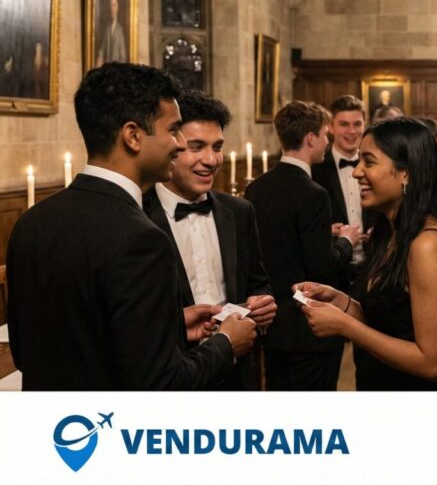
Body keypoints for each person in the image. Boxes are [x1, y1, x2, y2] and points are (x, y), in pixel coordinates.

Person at [7, 62, 256, 390]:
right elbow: (161, 385)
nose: (180, 144)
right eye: (173, 130)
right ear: (133, 136)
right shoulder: (141, 239)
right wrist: (225, 343)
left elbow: (28, 352)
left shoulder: (31, 222)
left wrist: (172, 326)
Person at [299, 118, 437, 390]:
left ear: (407, 174)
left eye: (368, 162)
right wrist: (343, 303)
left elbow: (430, 363)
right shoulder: (390, 232)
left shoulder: (427, 245)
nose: (357, 172)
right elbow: (390, 321)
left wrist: (345, 326)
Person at [142, 89, 277, 390]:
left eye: (217, 147)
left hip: (236, 375)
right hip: (170, 379)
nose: (212, 159)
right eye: (196, 146)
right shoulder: (137, 217)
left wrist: (262, 302)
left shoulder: (239, 212)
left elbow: (258, 281)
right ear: (171, 146)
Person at [245, 101, 351, 390]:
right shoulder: (313, 193)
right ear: (311, 138)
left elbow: (275, 240)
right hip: (308, 328)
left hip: (272, 323)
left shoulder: (256, 188)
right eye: (325, 134)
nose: (328, 141)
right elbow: (322, 267)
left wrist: (322, 232)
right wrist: (346, 241)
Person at [311, 95, 371, 291]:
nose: (352, 131)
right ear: (331, 127)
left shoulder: (378, 165)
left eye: (357, 124)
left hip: (373, 270)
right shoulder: (315, 169)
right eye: (344, 124)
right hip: (332, 274)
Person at [0, 0, 45, 98]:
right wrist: (7, 56)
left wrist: (38, 49)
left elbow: (34, 23)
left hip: (27, 55)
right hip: (11, 55)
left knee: (27, 92)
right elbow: (4, 26)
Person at [95, 0, 127, 66]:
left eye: (114, 5)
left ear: (117, 7)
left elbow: (123, 57)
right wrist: (99, 59)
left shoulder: (120, 30)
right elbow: (102, 50)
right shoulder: (107, 29)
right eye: (111, 5)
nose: (112, 8)